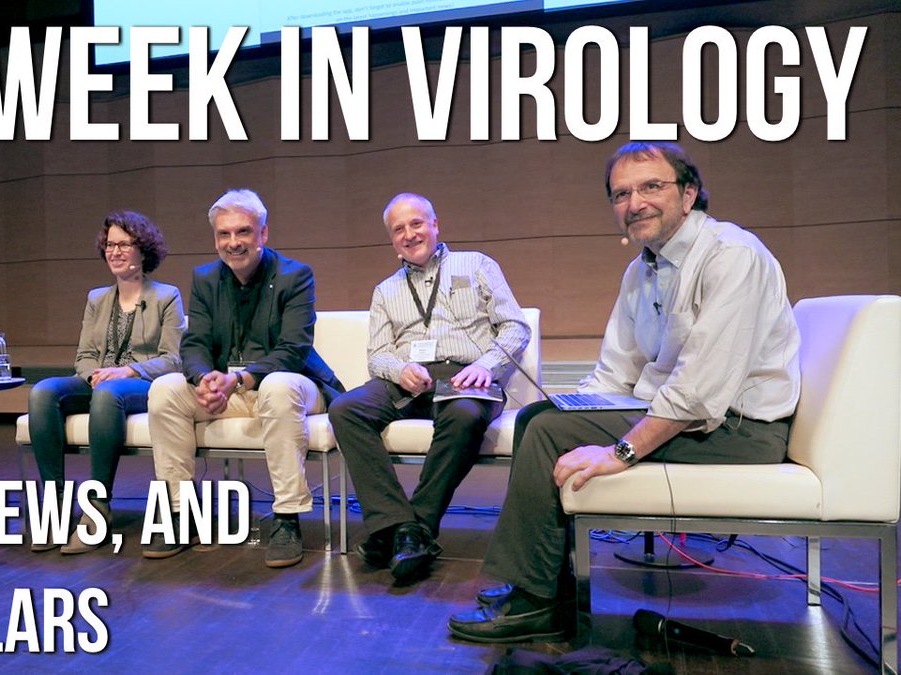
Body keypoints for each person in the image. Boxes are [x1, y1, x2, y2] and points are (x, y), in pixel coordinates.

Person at [448, 142, 801, 642]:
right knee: (538, 417)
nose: (635, 203)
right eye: (621, 194)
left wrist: (622, 451)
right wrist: (575, 406)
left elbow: (699, 392)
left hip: (742, 429)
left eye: (651, 186)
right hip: (682, 413)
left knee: (547, 433)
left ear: (689, 194)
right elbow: (616, 370)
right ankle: (547, 586)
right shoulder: (641, 270)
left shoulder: (732, 256)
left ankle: (536, 603)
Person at [329, 193, 530, 584]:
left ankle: (415, 528)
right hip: (409, 380)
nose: (409, 234)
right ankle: (395, 524)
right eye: (398, 229)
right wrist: (399, 368)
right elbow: (377, 355)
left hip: (466, 376)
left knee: (466, 414)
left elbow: (515, 328)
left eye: (416, 223)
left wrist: (484, 366)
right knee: (345, 408)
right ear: (392, 239)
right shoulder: (385, 290)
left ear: (435, 225)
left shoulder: (477, 265)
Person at [146, 189, 344, 568]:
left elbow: (293, 349)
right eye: (224, 234)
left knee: (277, 386)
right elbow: (195, 343)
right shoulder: (205, 279)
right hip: (231, 390)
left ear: (263, 233)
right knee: (165, 390)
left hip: (293, 386)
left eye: (243, 232)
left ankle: (287, 517)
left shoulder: (295, 276)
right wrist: (204, 379)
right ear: (215, 239)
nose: (233, 242)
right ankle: (181, 513)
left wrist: (239, 381)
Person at [26, 210, 184, 554]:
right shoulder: (97, 298)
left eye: (124, 244)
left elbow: (173, 359)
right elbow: (84, 356)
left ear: (143, 250)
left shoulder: (166, 296)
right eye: (110, 245)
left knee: (109, 394)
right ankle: (55, 508)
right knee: (43, 392)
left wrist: (128, 371)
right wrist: (93, 375)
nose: (115, 251)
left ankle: (97, 507)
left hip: (140, 384)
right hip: (99, 382)